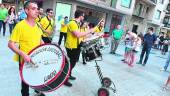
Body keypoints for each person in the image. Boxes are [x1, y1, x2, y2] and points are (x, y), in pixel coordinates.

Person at [8, 1, 45, 96]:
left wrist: (46, 48)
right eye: (33, 9)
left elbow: (39, 39)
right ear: (26, 11)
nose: (37, 11)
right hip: (25, 60)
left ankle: (39, 91)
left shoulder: (37, 25)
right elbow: (10, 44)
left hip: (37, 58)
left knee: (38, 76)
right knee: (25, 83)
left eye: (37, 8)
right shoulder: (20, 26)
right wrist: (23, 54)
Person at [64, 10, 94, 87]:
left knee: (73, 62)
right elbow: (77, 35)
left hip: (76, 46)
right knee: (71, 63)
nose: (83, 18)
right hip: (71, 47)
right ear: (80, 16)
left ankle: (68, 75)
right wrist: (89, 31)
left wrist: (90, 35)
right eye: (83, 16)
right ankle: (65, 79)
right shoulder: (72, 23)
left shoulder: (77, 23)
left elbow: (81, 36)